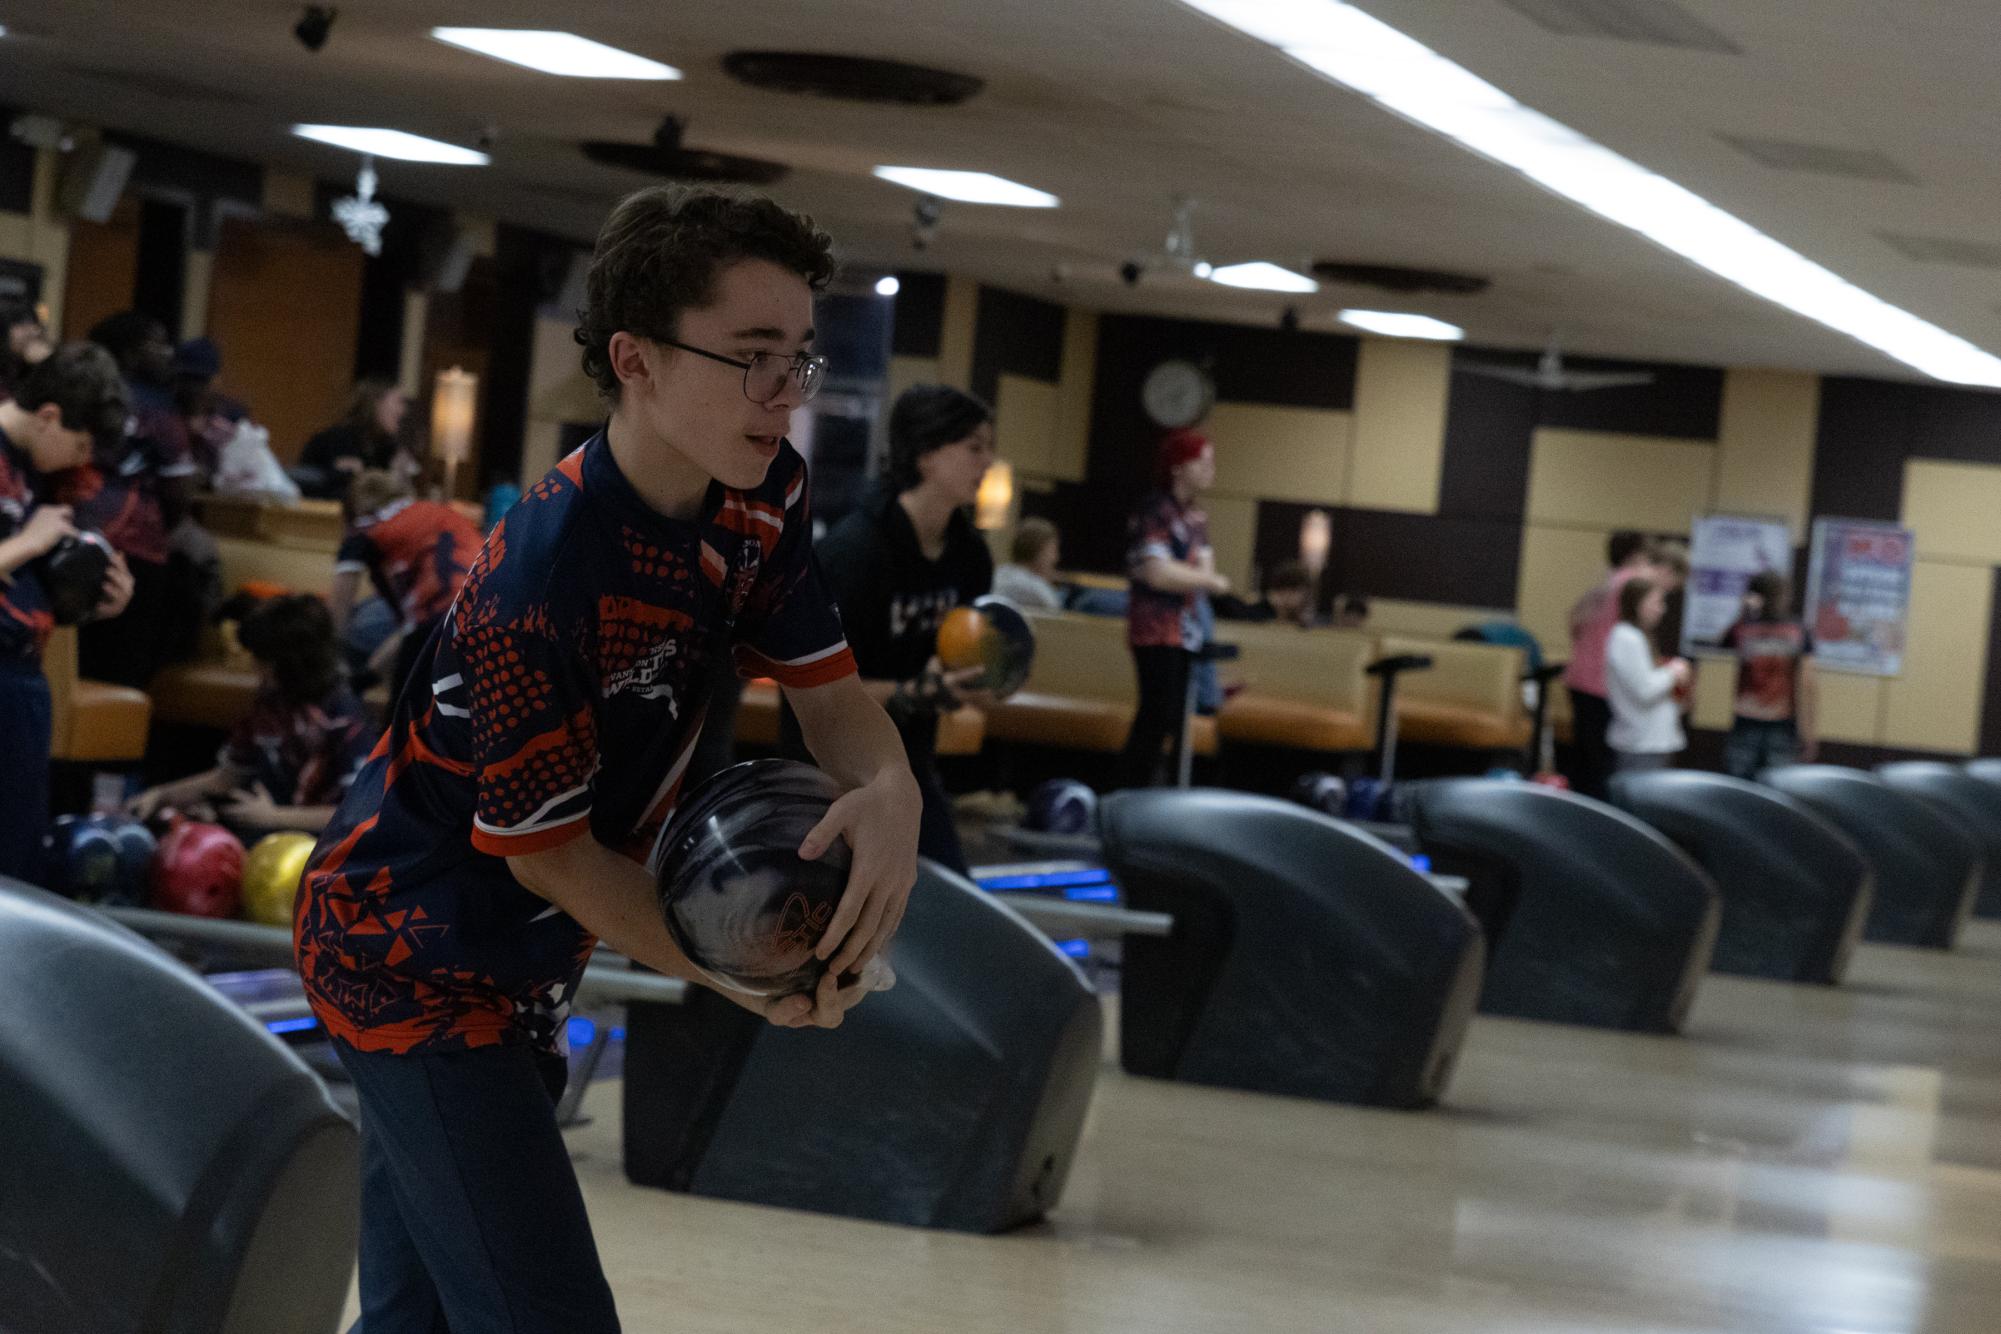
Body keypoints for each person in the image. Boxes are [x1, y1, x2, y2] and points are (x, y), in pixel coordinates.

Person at [295, 185, 920, 1333]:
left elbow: (832, 698)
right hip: (409, 953)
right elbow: (557, 862)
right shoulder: (538, 580)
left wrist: (895, 793)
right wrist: (748, 974)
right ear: (634, 358)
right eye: (747, 357)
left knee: (418, 1319)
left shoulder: (761, 495)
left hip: (515, 965)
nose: (782, 394)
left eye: (796, 359)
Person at [803, 383, 996, 873]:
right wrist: (916, 691)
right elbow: (822, 695)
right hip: (832, 772)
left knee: (951, 905)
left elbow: (960, 656)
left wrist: (984, 678)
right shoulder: (854, 554)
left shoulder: (969, 554)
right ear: (928, 455)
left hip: (910, 766)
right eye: (975, 448)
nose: (988, 462)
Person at [0, 343, 134, 879]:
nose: (83, 460)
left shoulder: (40, 473)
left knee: (16, 862)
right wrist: (29, 542)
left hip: (24, 675)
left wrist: (97, 601)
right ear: (49, 415)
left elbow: (33, 592)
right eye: (79, 443)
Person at [126, 594, 371, 837]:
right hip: (267, 827)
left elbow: (360, 814)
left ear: (286, 662)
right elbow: (227, 778)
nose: (254, 667)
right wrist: (161, 795)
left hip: (319, 847)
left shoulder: (341, 715)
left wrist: (274, 817)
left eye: (261, 659)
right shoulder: (270, 702)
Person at [67, 310, 199, 689]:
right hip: (134, 548)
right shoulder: (157, 406)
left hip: (65, 535)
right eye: (156, 344)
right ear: (128, 352)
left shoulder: (76, 390)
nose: (167, 353)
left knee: (71, 664)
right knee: (121, 671)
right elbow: (179, 492)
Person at [1121, 427, 1229, 787]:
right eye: (1203, 461)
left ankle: (1160, 797)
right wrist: (1202, 579)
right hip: (1153, 629)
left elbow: (1199, 571)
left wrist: (1192, 575)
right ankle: (1126, 795)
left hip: (1187, 628)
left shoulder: (1197, 517)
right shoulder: (1155, 510)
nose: (1211, 468)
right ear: (1178, 467)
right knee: (1156, 714)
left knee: (1175, 717)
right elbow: (1157, 574)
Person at [330, 469, 484, 703]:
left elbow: (340, 603)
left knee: (404, 722)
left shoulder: (368, 529)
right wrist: (368, 676)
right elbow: (415, 624)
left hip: (442, 620)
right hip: (492, 613)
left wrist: (329, 657)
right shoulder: (441, 515)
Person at [1561, 531, 1655, 798]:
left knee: (1583, 755)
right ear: (1635, 556)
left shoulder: (1601, 586)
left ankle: (1576, 810)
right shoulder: (1631, 586)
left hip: (1579, 676)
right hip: (1602, 682)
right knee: (1601, 761)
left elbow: (1573, 622)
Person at [1722, 571, 1818, 779]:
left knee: (1739, 788)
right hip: (1782, 722)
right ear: (1784, 595)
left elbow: (1722, 641)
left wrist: (1743, 612)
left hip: (1745, 719)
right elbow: (1807, 683)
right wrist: (1808, 732)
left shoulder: (1744, 629)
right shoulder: (1797, 630)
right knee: (1779, 788)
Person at [1605, 576, 1690, 775]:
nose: (1661, 609)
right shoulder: (1627, 637)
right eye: (1656, 602)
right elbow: (1644, 690)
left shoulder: (1637, 636)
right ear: (1637, 604)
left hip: (1651, 740)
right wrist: (1674, 671)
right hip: (1641, 742)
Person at [295, 377, 418, 499]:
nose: (403, 410)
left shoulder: (388, 450)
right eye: (399, 401)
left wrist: (399, 475)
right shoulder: (334, 440)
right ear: (376, 402)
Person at [993, 515, 1063, 610]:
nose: (1056, 558)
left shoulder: (998, 573)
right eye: (1052, 550)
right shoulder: (1037, 590)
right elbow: (1056, 614)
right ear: (1039, 552)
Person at [0, 297, 52, 398]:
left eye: (35, 323)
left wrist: (46, 364)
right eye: (22, 324)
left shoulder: (31, 363)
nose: (34, 331)